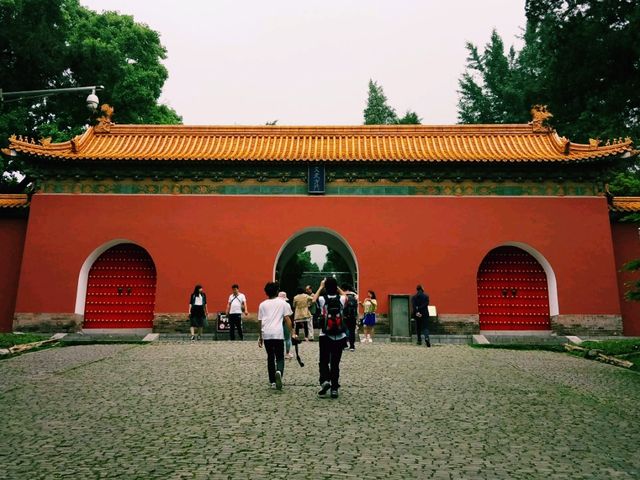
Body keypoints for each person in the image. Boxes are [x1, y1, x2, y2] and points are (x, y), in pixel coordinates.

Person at [312, 277, 347, 399]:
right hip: (340, 335)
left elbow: (313, 300)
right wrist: (337, 287)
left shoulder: (322, 299)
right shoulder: (341, 299)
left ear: (326, 287)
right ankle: (334, 389)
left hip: (325, 335)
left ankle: (325, 381)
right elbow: (346, 296)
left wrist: (321, 287)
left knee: (323, 360)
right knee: (335, 363)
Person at [258, 282, 296, 390]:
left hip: (267, 334)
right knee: (280, 357)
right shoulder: (283, 303)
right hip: (278, 333)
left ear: (266, 292)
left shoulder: (262, 304)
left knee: (270, 357)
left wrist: (260, 336)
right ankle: (279, 371)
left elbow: (260, 321)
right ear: (277, 291)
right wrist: (292, 332)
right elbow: (287, 319)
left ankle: (272, 381)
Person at [341, 284, 359, 352]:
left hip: (344, 316)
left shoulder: (342, 295)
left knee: (343, 330)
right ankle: (352, 346)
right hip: (353, 316)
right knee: (352, 331)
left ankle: (344, 345)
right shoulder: (355, 295)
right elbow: (356, 304)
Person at [278, 291, 294, 359]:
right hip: (285, 322)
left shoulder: (275, 304)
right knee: (287, 338)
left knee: (278, 339)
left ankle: (278, 353)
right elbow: (289, 315)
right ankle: (287, 353)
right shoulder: (287, 304)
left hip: (276, 323)